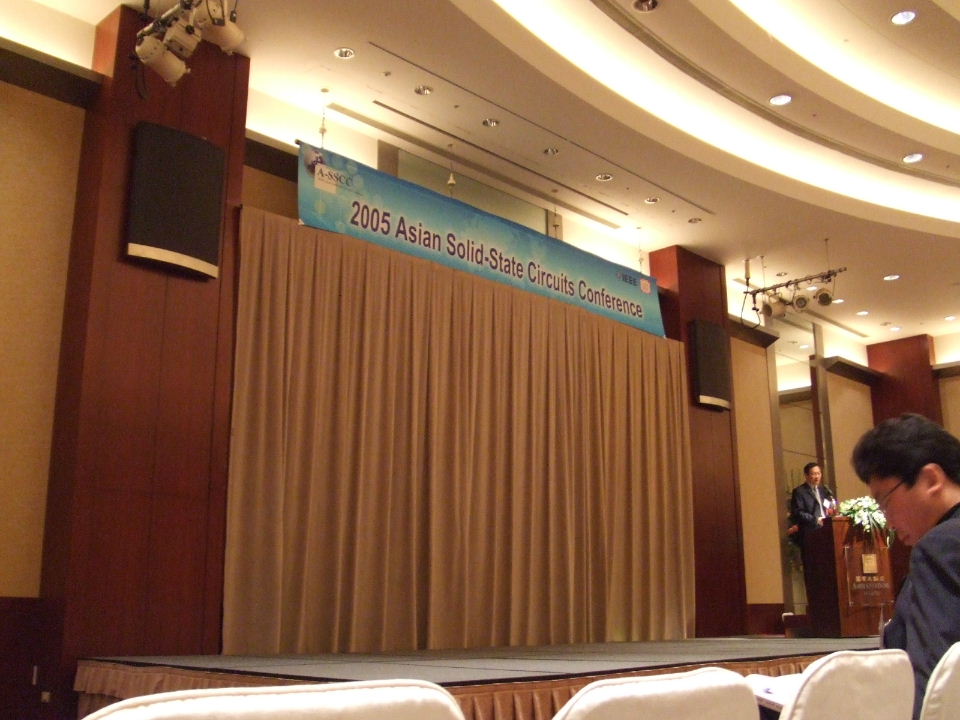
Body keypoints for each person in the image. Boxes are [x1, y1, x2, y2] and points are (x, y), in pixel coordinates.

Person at [852, 413, 960, 720]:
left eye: (884, 502)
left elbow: (937, 684)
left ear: (932, 479)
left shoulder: (940, 547)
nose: (887, 520)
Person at [789, 462, 835, 544]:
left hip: (825, 528)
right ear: (806, 475)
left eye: (819, 473)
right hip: (810, 531)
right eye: (814, 474)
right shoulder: (799, 491)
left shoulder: (823, 490)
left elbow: (827, 505)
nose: (817, 477)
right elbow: (798, 512)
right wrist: (816, 520)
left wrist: (831, 508)